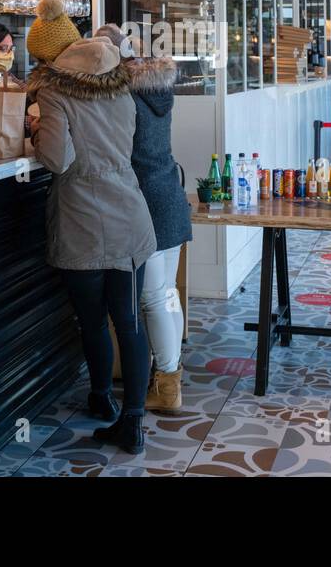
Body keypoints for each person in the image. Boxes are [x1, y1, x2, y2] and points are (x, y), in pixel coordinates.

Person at [26, 0, 157, 455]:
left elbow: (57, 158)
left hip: (82, 213)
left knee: (92, 321)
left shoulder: (55, 93)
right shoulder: (121, 90)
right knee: (130, 320)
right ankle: (134, 423)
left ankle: (101, 398)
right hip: (130, 210)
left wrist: (37, 131)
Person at [97, 24, 192, 412]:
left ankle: (168, 386)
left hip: (145, 201)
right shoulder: (157, 90)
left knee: (153, 297)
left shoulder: (121, 95)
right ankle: (168, 375)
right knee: (167, 293)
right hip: (169, 191)